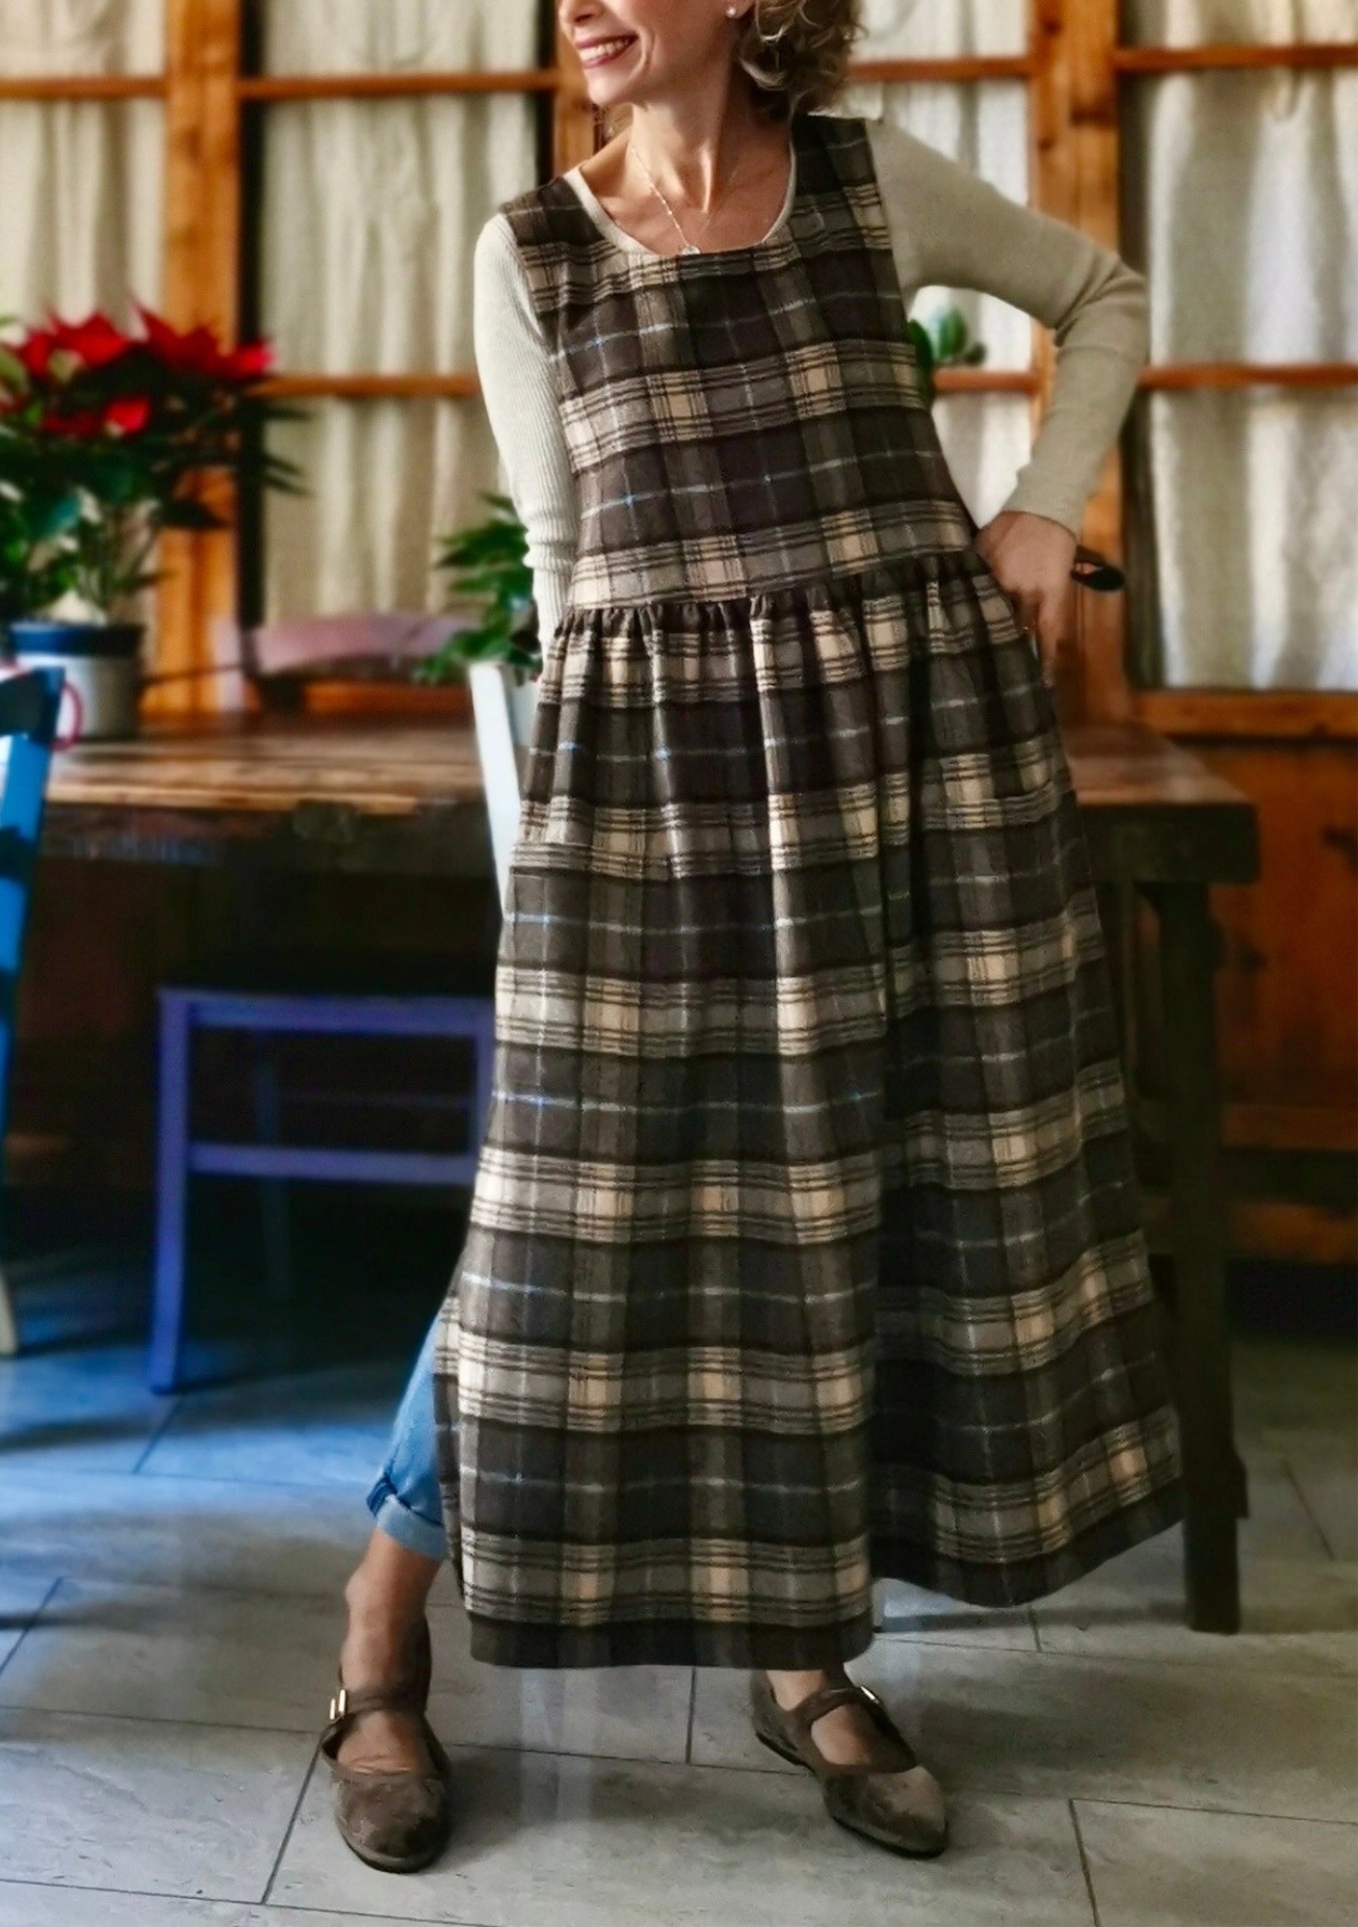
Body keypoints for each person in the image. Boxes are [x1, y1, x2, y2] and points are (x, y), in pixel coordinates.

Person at [320, 0, 1183, 1875]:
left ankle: (805, 1656)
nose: (580, 4)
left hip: (913, 765)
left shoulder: (871, 185)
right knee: (559, 1219)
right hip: (666, 791)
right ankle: (378, 1639)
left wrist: (1044, 511)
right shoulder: (530, 251)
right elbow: (566, 576)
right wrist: (574, 854)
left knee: (845, 1182)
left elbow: (1102, 293)